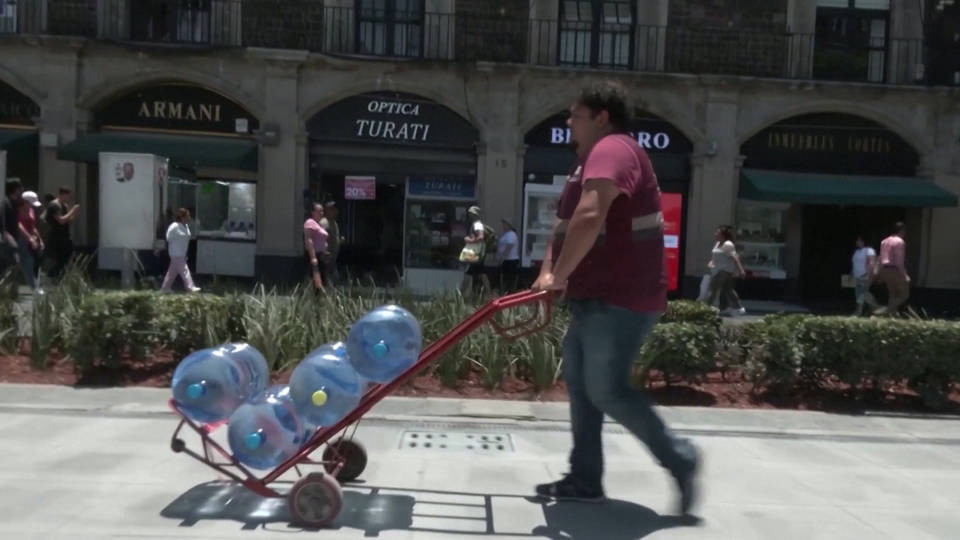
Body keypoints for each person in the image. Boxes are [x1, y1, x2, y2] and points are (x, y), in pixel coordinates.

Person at [531, 81, 699, 515]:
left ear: (602, 117)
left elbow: (590, 216)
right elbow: (566, 225)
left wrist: (559, 274)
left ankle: (680, 457)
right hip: (594, 296)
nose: (568, 123)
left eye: (576, 115)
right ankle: (585, 480)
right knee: (585, 391)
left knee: (606, 390)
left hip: (622, 296)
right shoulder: (584, 163)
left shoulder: (614, 149)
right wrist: (550, 272)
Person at [705, 226, 746, 316]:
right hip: (717, 270)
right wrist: (711, 262)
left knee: (713, 289)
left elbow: (735, 257)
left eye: (717, 233)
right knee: (728, 290)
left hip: (724, 271)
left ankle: (705, 309)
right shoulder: (718, 243)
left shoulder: (728, 244)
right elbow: (715, 256)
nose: (715, 234)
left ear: (723, 235)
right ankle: (739, 308)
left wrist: (741, 270)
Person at [161, 208, 200, 293]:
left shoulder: (185, 226)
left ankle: (165, 288)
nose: (189, 218)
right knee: (184, 270)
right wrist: (177, 239)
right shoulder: (174, 226)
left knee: (172, 272)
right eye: (188, 216)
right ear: (182, 217)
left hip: (182, 252)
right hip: (176, 252)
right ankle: (190, 287)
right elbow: (168, 237)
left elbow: (188, 237)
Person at [45, 186, 80, 279]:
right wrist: (73, 210)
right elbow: (61, 220)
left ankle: (60, 278)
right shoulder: (54, 205)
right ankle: (51, 277)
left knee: (68, 259)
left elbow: (68, 222)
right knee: (58, 261)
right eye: (68, 196)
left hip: (65, 237)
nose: (69, 199)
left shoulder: (64, 205)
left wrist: (74, 214)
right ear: (62, 195)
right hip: (56, 238)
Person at [876, 221, 909, 315]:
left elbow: (881, 258)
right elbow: (899, 261)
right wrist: (905, 275)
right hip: (894, 269)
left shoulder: (884, 241)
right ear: (902, 230)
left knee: (893, 294)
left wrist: (879, 273)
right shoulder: (899, 242)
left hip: (885, 269)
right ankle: (886, 310)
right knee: (904, 294)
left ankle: (891, 317)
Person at [460, 206, 492, 295]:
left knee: (469, 273)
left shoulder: (477, 225)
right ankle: (489, 293)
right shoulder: (476, 224)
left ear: (475, 215)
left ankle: (461, 294)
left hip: (476, 253)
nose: (469, 215)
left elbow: (481, 237)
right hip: (477, 253)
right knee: (481, 273)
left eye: (471, 214)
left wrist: (469, 240)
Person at [17, 191, 44, 291]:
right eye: (30, 203)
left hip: (31, 239)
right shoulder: (17, 211)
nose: (32, 206)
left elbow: (33, 227)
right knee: (26, 262)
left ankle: (35, 285)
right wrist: (29, 238)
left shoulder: (31, 211)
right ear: (25, 202)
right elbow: (19, 226)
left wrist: (40, 239)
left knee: (36, 261)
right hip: (20, 240)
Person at [851, 235, 880, 316]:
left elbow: (871, 263)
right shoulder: (856, 251)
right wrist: (852, 273)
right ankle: (863, 311)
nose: (857, 242)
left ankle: (875, 308)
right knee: (860, 294)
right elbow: (854, 263)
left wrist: (867, 274)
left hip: (865, 275)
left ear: (863, 241)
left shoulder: (869, 250)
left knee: (862, 293)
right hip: (856, 276)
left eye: (859, 240)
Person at [303, 203, 329, 290]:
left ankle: (319, 300)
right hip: (315, 255)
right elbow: (309, 240)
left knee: (321, 280)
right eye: (319, 211)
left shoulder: (319, 224)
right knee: (315, 280)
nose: (321, 213)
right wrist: (313, 257)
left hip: (322, 256)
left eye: (322, 211)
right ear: (313, 212)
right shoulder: (310, 223)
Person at [2, 179, 24, 278]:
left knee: (12, 265)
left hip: (13, 239)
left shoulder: (14, 203)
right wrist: (7, 236)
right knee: (10, 265)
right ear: (15, 189)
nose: (22, 190)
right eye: (20, 188)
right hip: (7, 241)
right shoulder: (5, 203)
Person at [319, 201, 343, 286]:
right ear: (327, 210)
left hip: (333, 257)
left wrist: (339, 241)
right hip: (326, 257)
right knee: (330, 279)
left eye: (335, 209)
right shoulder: (324, 223)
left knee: (333, 279)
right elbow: (321, 238)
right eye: (332, 209)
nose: (335, 211)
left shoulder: (334, 223)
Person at [497, 218, 520, 292]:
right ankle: (506, 292)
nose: (503, 226)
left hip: (510, 260)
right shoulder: (507, 234)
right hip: (507, 260)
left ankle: (509, 293)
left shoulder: (511, 234)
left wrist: (502, 258)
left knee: (509, 279)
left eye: (504, 224)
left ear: (509, 225)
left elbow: (508, 247)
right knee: (505, 278)